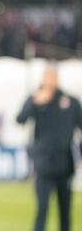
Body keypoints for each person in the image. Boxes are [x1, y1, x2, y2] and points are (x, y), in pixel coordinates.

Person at [16, 64, 82, 231]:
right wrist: (34, 102)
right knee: (42, 210)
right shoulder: (37, 99)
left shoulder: (70, 101)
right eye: (48, 76)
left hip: (65, 165)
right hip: (43, 165)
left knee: (65, 213)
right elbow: (20, 119)